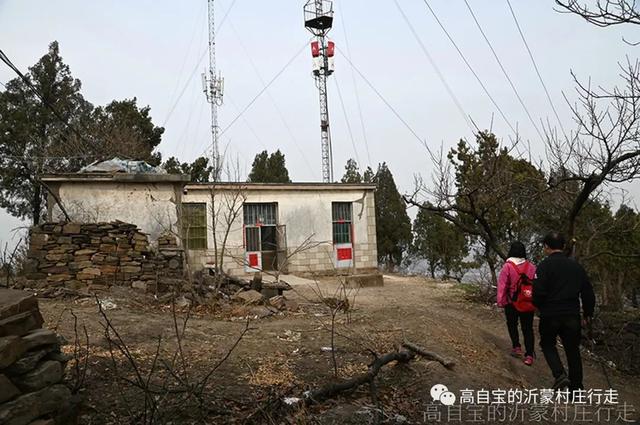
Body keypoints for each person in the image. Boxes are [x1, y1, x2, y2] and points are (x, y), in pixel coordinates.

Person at [533, 232, 595, 391]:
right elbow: (588, 292)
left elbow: (538, 292)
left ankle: (559, 374)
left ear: (546, 247)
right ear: (562, 246)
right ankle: (577, 390)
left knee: (547, 344)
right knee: (573, 351)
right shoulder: (576, 267)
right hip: (572, 316)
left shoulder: (543, 266)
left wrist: (538, 307)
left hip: (550, 314)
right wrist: (588, 313)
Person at [497, 241, 537, 366]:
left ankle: (517, 347)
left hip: (511, 302)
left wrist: (500, 301)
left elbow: (502, 286)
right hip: (528, 302)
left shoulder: (507, 267)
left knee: (512, 324)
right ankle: (529, 355)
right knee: (528, 329)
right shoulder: (531, 266)